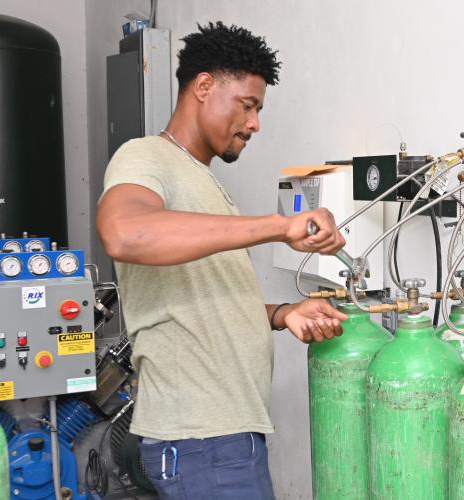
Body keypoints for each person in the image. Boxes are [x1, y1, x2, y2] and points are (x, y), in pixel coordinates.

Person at [96, 21, 348, 499]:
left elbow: (195, 303)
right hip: (201, 441)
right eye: (248, 105)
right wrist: (278, 225)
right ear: (204, 86)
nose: (255, 123)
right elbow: (124, 232)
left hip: (221, 438)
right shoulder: (146, 157)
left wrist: (281, 314)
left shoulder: (204, 181)